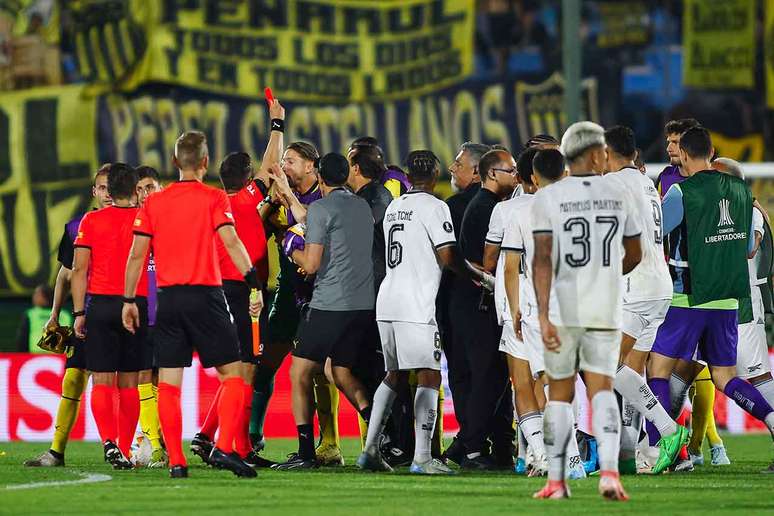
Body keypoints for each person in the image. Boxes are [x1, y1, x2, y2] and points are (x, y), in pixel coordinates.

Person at [123, 130, 264, 479]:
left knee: (169, 383)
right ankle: (225, 448)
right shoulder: (215, 199)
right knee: (233, 375)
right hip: (206, 297)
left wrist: (128, 300)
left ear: (175, 162)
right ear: (204, 162)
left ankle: (176, 461)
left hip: (168, 300)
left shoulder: (154, 203)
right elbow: (231, 242)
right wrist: (253, 284)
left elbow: (136, 254)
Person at [648, 127, 774, 471]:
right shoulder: (742, 191)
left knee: (657, 369)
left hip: (687, 297)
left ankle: (660, 448)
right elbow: (749, 247)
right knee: (725, 377)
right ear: (711, 150)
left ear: (685, 156)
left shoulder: (679, 193)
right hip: (729, 301)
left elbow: (654, 236)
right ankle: (772, 419)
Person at [532, 121, 642, 501]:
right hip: (606, 308)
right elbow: (635, 253)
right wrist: (609, 272)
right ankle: (609, 475)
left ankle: (557, 481)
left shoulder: (548, 197)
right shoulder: (618, 193)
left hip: (563, 309)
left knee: (560, 394)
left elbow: (542, 260)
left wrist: (543, 314)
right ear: (596, 153)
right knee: (602, 390)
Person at [192, 98, 283, 469]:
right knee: (246, 369)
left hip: (212, 293)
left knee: (237, 370)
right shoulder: (248, 200)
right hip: (243, 293)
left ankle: (211, 437)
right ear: (247, 178)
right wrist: (277, 124)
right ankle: (233, 448)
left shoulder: (213, 203)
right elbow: (271, 164)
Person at [274, 153, 375, 470]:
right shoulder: (361, 206)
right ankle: (383, 435)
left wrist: (292, 248)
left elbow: (312, 264)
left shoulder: (320, 208)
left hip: (330, 303)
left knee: (300, 372)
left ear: (319, 176)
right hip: (363, 302)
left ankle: (306, 453)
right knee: (339, 372)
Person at [357, 150, 456, 475]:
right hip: (416, 303)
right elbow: (448, 257)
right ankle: (423, 458)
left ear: (408, 175)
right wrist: (480, 276)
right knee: (429, 374)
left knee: (394, 374)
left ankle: (370, 450)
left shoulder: (394, 207)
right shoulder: (436, 206)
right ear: (437, 173)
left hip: (387, 300)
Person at [603, 125, 688, 475]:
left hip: (633, 287)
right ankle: (638, 453)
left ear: (607, 152)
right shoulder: (645, 182)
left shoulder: (612, 184)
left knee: (607, 366)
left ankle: (668, 429)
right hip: (660, 286)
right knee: (631, 373)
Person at [23, 166, 111, 468]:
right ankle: (56, 451)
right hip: (83, 317)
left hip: (116, 315)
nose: (107, 193)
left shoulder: (133, 222)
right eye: (102, 188)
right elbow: (65, 273)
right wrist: (53, 314)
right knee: (73, 381)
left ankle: (129, 448)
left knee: (117, 384)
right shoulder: (76, 227)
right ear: (94, 192)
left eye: (111, 187)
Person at [251, 141, 328, 462]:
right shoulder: (279, 200)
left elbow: (313, 226)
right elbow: (249, 225)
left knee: (327, 372)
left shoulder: (324, 197)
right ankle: (252, 435)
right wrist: (271, 200)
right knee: (265, 365)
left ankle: (331, 441)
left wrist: (288, 198)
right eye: (283, 161)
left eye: (291, 161)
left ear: (311, 166)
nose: (284, 166)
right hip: (286, 295)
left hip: (320, 294)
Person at [71, 163, 147, 469]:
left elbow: (79, 269)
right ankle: (125, 449)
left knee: (101, 379)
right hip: (136, 305)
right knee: (129, 382)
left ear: (109, 189)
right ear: (134, 189)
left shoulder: (90, 220)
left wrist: (78, 312)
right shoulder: (146, 221)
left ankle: (109, 443)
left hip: (100, 305)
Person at [456, 148, 517, 470]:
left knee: (494, 380)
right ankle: (471, 450)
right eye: (511, 170)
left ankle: (489, 447)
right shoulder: (485, 208)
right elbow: (480, 263)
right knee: (488, 379)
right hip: (481, 307)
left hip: (481, 306)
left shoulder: (488, 205)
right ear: (493, 174)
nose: (516, 175)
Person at [495, 147, 549, 477]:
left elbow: (503, 266)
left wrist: (512, 309)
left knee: (524, 386)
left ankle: (540, 454)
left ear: (526, 177)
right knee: (557, 387)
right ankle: (566, 455)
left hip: (522, 306)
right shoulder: (572, 209)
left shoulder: (511, 211)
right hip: (565, 307)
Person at [438, 141, 489, 464]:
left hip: (459, 299)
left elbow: (448, 257)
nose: (452, 169)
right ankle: (483, 440)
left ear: (475, 170)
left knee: (463, 374)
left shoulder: (455, 205)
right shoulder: (499, 203)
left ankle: (471, 442)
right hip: (489, 299)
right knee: (488, 374)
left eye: (458, 163)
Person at [133, 165, 166, 468]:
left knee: (164, 379)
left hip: (169, 312)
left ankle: (152, 439)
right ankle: (153, 444)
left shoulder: (169, 221)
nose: (145, 194)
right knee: (145, 376)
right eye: (140, 189)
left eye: (150, 187)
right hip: (143, 311)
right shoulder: (131, 224)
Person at [16, 285, 72, 353]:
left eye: (37, 294)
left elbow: (22, 340)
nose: (34, 297)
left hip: (36, 357)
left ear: (46, 297)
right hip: (60, 358)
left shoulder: (30, 314)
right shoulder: (66, 315)